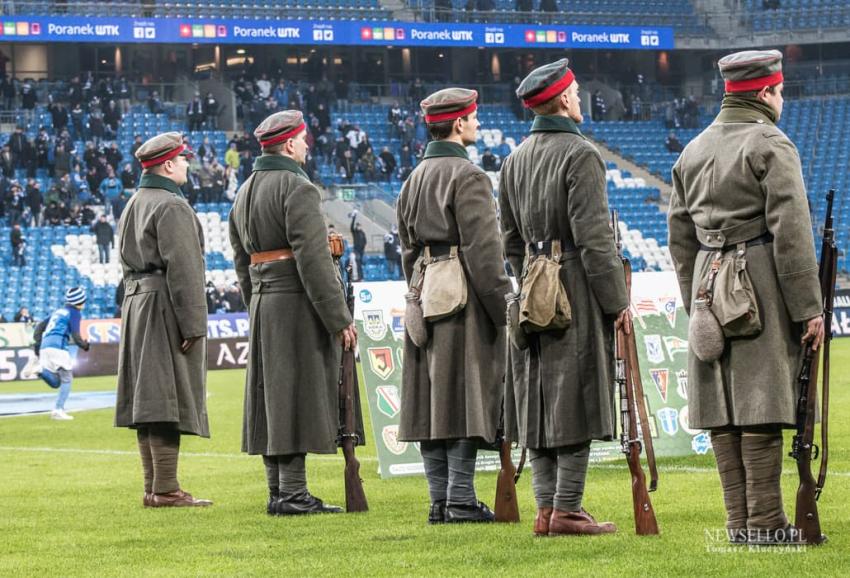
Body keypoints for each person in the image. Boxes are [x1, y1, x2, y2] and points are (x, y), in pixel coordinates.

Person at [667, 49, 824, 545]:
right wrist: (809, 308)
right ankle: (768, 524)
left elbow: (679, 237)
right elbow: (792, 232)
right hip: (759, 281)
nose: (782, 100)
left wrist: (697, 300)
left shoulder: (691, 151)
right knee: (761, 402)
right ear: (764, 92)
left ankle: (739, 525)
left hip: (706, 289)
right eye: (779, 91)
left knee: (722, 409)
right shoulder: (770, 143)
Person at [500, 59, 630, 536]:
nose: (579, 98)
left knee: (537, 397)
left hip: (532, 282)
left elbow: (510, 241)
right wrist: (616, 303)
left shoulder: (514, 160)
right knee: (575, 393)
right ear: (560, 100)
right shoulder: (581, 154)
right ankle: (568, 509)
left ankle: (544, 509)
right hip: (573, 281)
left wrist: (533, 279)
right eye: (575, 91)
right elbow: (595, 241)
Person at [229, 110, 358, 516]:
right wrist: (339, 318)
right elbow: (314, 261)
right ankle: (294, 492)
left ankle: (278, 490)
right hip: (296, 303)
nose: (307, 146)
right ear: (288, 144)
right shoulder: (297, 188)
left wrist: (255, 303)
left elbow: (240, 260)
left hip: (265, 303)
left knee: (272, 398)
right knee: (298, 396)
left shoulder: (245, 190)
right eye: (303, 140)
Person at [397, 88, 511, 524]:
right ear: (459, 124)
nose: (477, 124)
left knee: (430, 400)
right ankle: (461, 498)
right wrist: (505, 308)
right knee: (465, 395)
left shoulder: (413, 178)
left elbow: (407, 251)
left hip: (424, 292)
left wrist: (419, 289)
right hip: (462, 298)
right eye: (474, 118)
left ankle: (439, 502)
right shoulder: (469, 176)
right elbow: (485, 253)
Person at [114, 132, 212, 508]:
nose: (188, 163)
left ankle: (153, 488)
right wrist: (193, 324)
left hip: (137, 304)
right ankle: (167, 489)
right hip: (163, 306)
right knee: (167, 398)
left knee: (148, 399)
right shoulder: (171, 206)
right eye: (183, 159)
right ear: (168, 164)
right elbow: (185, 269)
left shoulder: (133, 203)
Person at [35, 287, 91, 420]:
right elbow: (76, 336)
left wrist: (39, 342)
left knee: (56, 382)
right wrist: (85, 346)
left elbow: (39, 328)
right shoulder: (75, 313)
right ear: (79, 301)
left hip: (45, 347)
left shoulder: (58, 311)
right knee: (67, 379)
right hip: (58, 346)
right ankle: (58, 409)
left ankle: (40, 370)